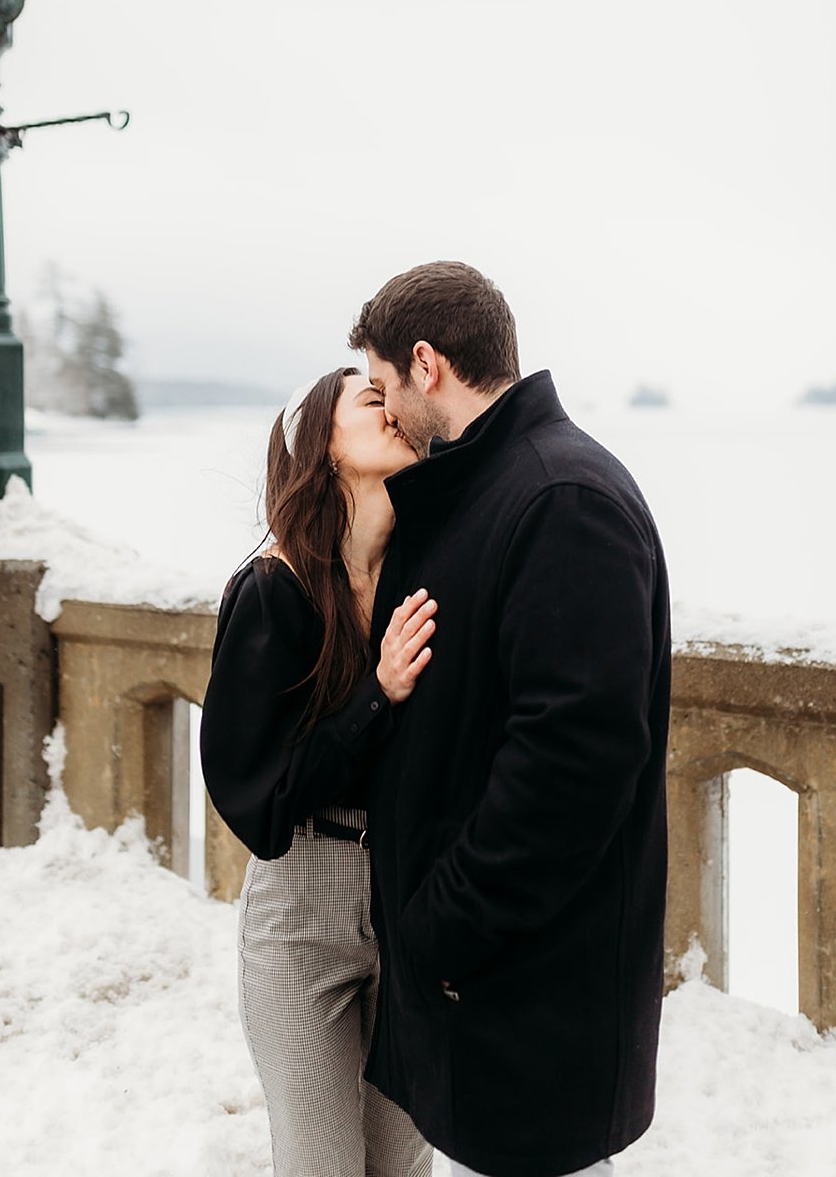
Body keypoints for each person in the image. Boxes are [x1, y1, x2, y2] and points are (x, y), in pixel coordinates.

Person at [350, 261, 671, 1177]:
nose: (386, 413)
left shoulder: (561, 500)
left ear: (427, 364)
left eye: (383, 389)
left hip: (531, 994)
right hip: (487, 992)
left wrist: (442, 930)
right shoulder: (490, 491)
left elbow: (573, 762)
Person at [201, 366, 436, 1177]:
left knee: (403, 1167)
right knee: (321, 1166)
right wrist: (377, 696)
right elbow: (258, 802)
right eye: (372, 401)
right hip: (304, 905)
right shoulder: (273, 591)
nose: (396, 410)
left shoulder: (425, 580)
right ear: (324, 447)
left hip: (411, 900)